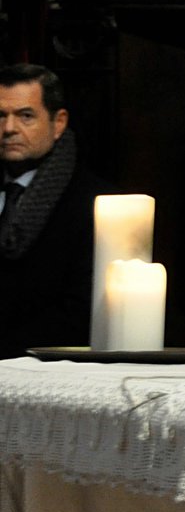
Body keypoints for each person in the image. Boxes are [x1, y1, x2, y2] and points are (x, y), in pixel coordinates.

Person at [0, 64, 109, 357]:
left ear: (58, 123)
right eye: (0, 116)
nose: (9, 129)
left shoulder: (95, 202)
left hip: (43, 365)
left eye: (25, 116)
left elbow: (80, 310)